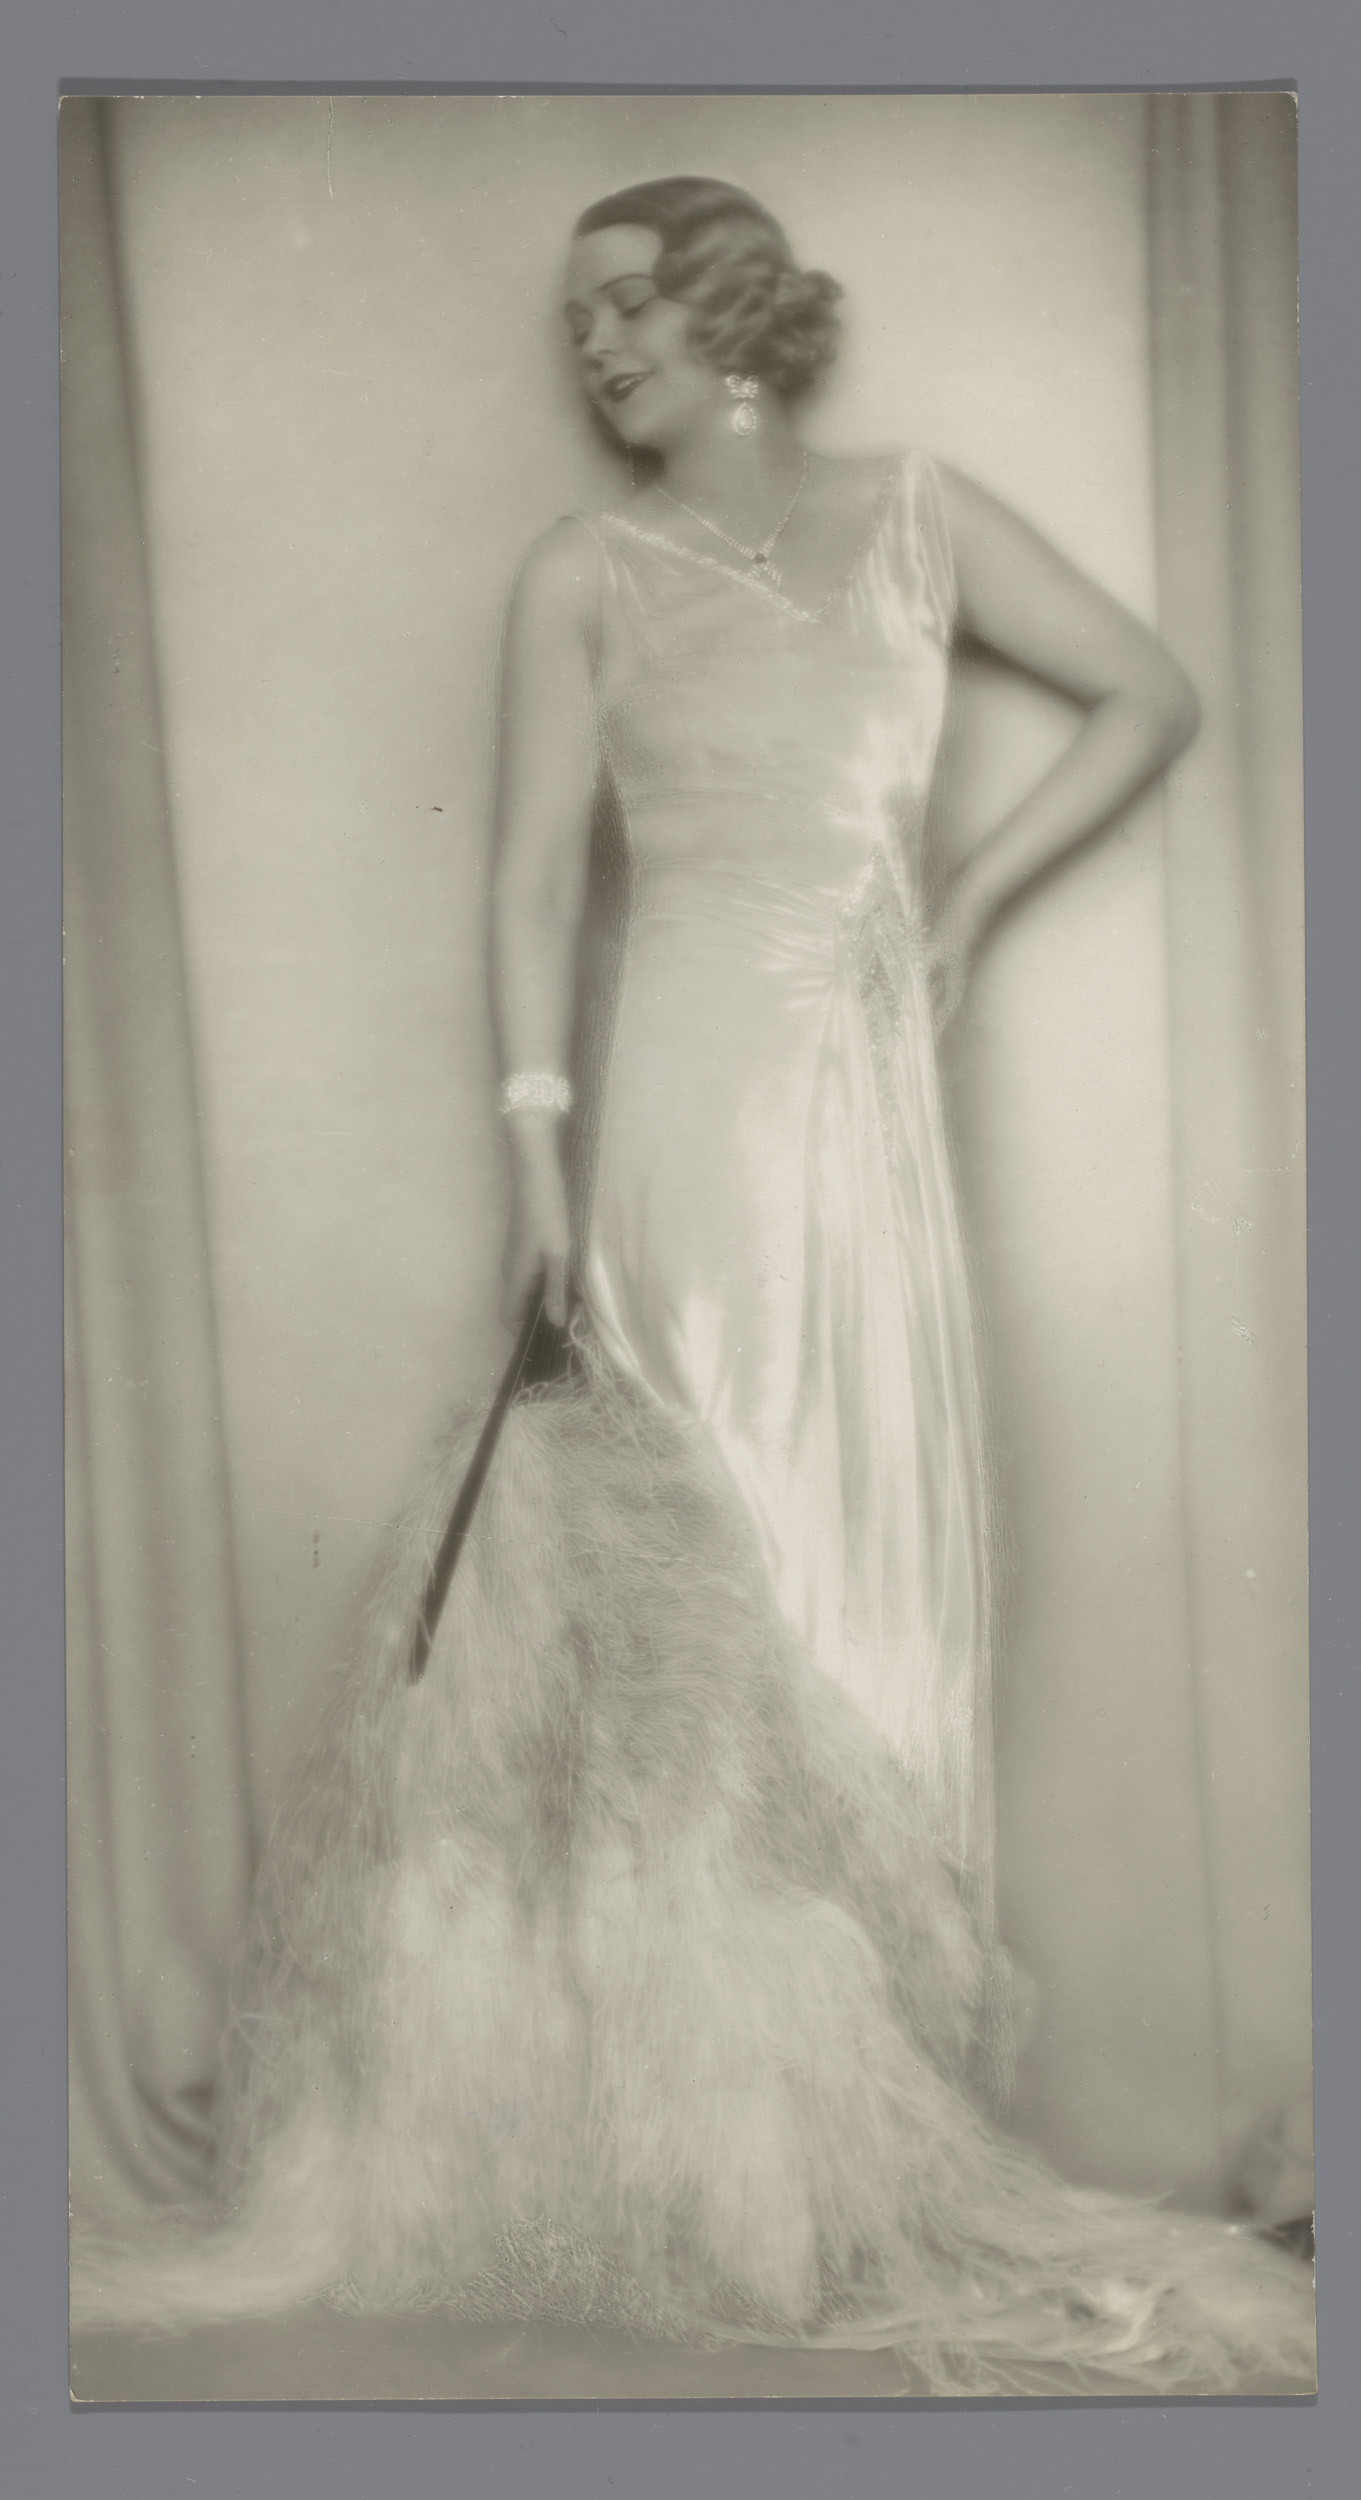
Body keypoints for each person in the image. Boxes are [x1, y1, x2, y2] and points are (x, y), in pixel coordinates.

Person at [73, 177, 1314, 2396]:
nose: (595, 349)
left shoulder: (920, 517)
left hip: (870, 1121)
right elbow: (530, 884)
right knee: (698, 1606)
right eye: (577, 323)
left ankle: (846, 2147)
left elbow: (1151, 691)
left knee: (872, 1576)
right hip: (683, 1112)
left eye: (627, 303)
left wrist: (965, 906)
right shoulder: (585, 569)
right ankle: (721, 2173)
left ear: (731, 303)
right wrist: (536, 1149)